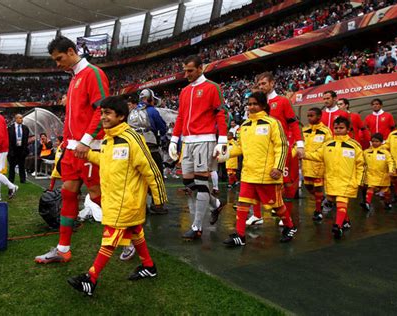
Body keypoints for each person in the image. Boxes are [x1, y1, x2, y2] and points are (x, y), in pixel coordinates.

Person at [67, 96, 167, 296]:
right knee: (136, 231)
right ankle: (149, 266)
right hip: (113, 199)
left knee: (109, 238)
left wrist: (159, 199)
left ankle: (91, 278)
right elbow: (105, 159)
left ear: (121, 116)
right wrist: (84, 153)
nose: (103, 117)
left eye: (107, 113)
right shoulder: (108, 139)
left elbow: (151, 169)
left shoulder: (132, 139)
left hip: (126, 202)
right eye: (102, 113)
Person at [35, 36, 110, 264]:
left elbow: (103, 110)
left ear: (70, 51)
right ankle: (63, 249)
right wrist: (65, 146)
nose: (57, 64)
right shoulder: (74, 78)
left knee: (99, 199)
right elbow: (72, 120)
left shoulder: (93, 74)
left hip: (90, 150)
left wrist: (86, 141)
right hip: (72, 149)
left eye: (59, 59)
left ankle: (130, 239)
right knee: (68, 194)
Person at [218, 92, 295, 246]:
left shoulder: (273, 123)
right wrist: (223, 154)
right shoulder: (244, 126)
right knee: (242, 204)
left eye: (255, 104)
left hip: (268, 175)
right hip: (248, 174)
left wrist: (278, 168)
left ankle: (290, 226)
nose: (251, 107)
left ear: (264, 106)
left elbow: (282, 147)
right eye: (250, 104)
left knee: (277, 205)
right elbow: (240, 147)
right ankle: (240, 236)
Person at [168, 55, 226, 240]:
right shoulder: (184, 91)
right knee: (188, 182)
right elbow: (180, 117)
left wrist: (222, 140)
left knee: (201, 184)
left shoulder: (212, 87)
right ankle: (216, 204)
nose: (187, 74)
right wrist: (174, 139)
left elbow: (220, 113)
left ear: (201, 68)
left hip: (205, 140)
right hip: (187, 141)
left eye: (190, 70)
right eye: (185, 71)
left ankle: (197, 227)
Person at [304, 117, 365, 239]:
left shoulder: (354, 145)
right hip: (331, 180)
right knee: (336, 201)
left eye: (341, 128)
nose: (338, 130)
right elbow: (317, 155)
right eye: (336, 128)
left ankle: (338, 226)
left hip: (348, 180)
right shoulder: (327, 144)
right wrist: (303, 154)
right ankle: (346, 221)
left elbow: (361, 164)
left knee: (342, 200)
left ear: (348, 129)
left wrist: (359, 181)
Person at [256, 72, 304, 227]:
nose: (261, 87)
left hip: (281, 149)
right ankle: (261, 214)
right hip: (263, 150)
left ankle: (286, 216)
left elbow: (293, 123)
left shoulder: (282, 101)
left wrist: (300, 144)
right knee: (262, 181)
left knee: (285, 184)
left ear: (272, 83)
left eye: (264, 83)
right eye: (259, 84)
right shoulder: (257, 104)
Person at [301, 107, 332, 221]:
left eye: (311, 115)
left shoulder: (325, 131)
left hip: (318, 164)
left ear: (319, 116)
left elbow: (327, 147)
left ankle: (318, 211)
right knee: (308, 186)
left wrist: (312, 155)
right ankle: (322, 199)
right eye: (308, 116)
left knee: (318, 187)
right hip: (306, 164)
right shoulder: (304, 130)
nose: (309, 118)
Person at [362, 133, 395, 211]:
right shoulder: (366, 152)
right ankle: (367, 203)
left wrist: (391, 170)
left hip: (383, 176)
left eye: (377, 141)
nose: (374, 143)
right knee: (371, 188)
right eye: (373, 141)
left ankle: (387, 202)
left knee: (386, 191)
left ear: (381, 142)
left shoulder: (386, 153)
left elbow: (390, 162)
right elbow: (361, 162)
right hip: (370, 175)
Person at [8, 114, 30, 184]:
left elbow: (26, 140)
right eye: (20, 118)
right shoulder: (10, 128)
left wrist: (25, 149)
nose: (21, 119)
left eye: (22, 118)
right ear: (16, 119)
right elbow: (9, 140)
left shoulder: (25, 128)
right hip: (13, 149)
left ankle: (23, 180)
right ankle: (11, 180)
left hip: (22, 149)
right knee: (12, 166)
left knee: (22, 165)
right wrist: (10, 150)